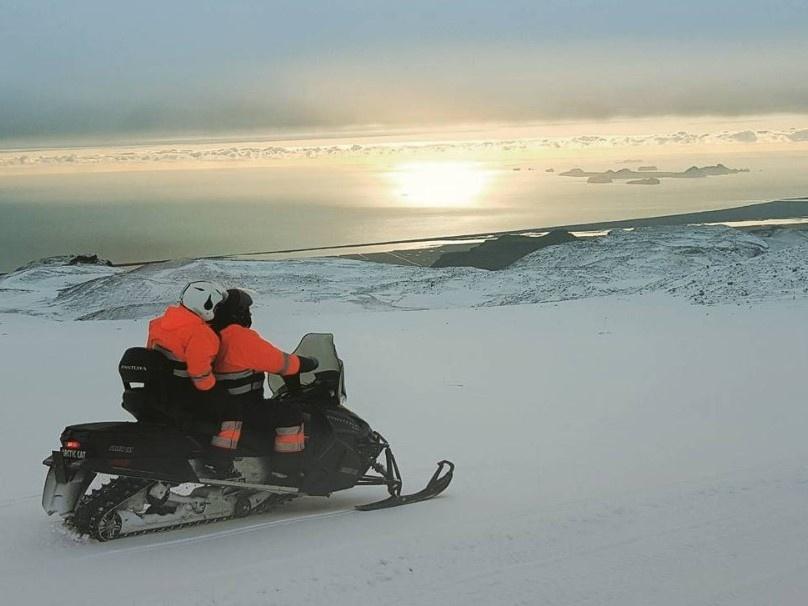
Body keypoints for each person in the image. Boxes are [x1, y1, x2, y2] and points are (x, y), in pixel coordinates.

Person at [211, 288, 318, 480]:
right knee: (290, 415)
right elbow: (279, 362)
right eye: (248, 310)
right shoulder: (238, 337)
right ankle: (286, 473)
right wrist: (307, 363)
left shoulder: (211, 333)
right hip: (244, 406)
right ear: (239, 312)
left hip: (218, 405)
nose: (250, 314)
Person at [147, 281, 242, 456]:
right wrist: (216, 390)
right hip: (184, 392)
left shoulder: (158, 324)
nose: (217, 310)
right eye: (216, 306)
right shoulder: (200, 333)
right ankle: (221, 461)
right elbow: (200, 375)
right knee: (233, 410)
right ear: (207, 304)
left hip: (160, 389)